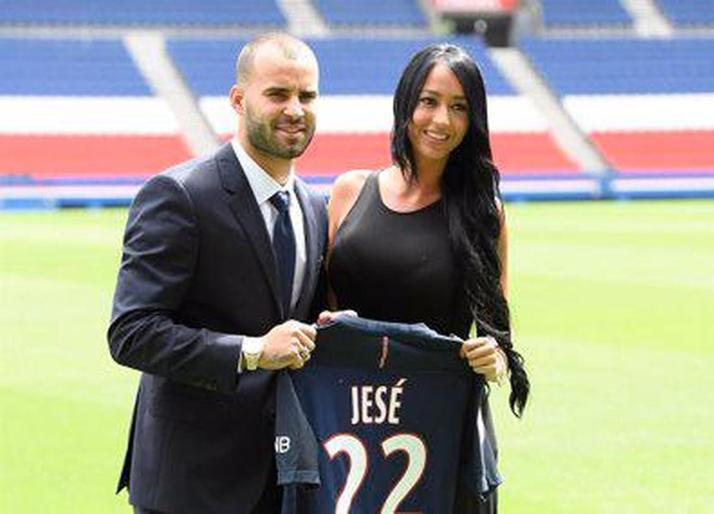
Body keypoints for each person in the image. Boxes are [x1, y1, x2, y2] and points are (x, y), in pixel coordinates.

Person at [108, 33, 329, 514]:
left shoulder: (315, 206)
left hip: (282, 480)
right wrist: (252, 352)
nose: (295, 109)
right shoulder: (178, 194)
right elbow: (131, 332)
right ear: (238, 99)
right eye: (277, 94)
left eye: (307, 96)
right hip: (191, 485)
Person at [326, 43, 530, 512]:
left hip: (441, 428)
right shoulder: (348, 192)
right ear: (406, 104)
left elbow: (498, 338)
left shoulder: (484, 213)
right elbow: (326, 307)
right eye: (429, 101)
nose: (441, 120)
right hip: (348, 422)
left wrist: (493, 357)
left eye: (459, 107)